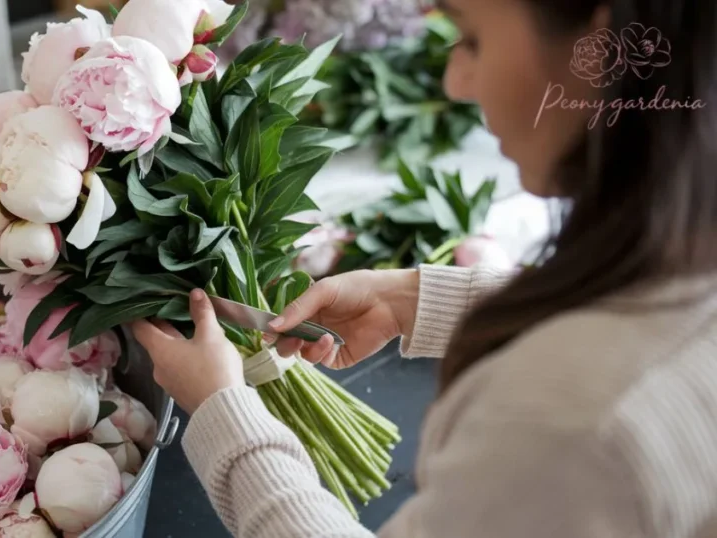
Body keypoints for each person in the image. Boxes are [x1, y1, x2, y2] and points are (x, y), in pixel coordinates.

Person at [131, 0, 717, 536]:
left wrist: (223, 416)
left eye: (470, 40)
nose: (454, 83)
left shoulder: (576, 424)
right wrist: (414, 300)